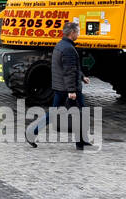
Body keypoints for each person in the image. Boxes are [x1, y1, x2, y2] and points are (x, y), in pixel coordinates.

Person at [26, 20, 90, 149]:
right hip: (69, 89)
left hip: (61, 87)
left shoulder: (60, 45)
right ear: (72, 33)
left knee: (57, 113)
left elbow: (69, 68)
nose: (78, 34)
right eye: (77, 32)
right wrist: (71, 90)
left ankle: (81, 141)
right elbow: (68, 71)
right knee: (80, 113)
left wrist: (82, 77)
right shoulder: (68, 49)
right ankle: (80, 142)